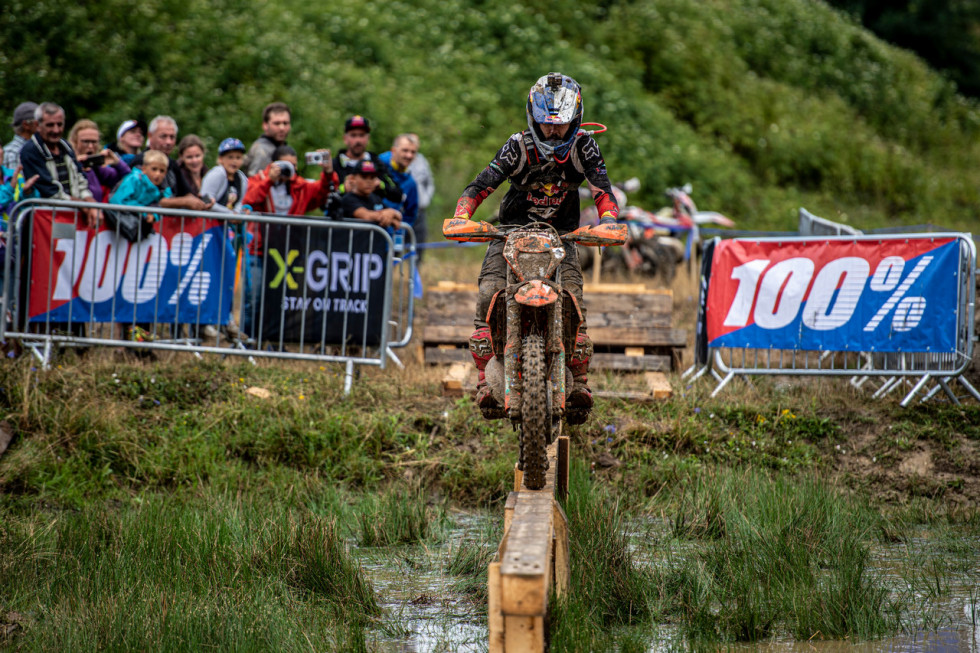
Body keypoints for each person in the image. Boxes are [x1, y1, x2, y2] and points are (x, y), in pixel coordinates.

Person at [452, 72, 620, 421]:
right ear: (533, 119)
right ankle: (485, 381)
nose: (554, 132)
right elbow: (482, 184)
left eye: (560, 125)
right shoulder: (518, 145)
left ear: (575, 119)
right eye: (546, 126)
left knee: (574, 297)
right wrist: (462, 214)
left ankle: (580, 383)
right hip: (511, 231)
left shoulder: (584, 145)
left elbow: (602, 187)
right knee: (488, 293)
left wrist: (608, 222)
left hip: (563, 234)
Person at [200, 138, 251, 339]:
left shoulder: (241, 179)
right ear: (220, 159)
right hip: (209, 230)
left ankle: (225, 318)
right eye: (230, 157)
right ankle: (206, 321)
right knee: (209, 275)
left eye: (238, 157)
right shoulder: (216, 174)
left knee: (228, 276)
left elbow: (240, 203)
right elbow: (205, 200)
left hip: (227, 233)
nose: (234, 161)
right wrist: (231, 216)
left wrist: (238, 215)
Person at [19, 102, 99, 226]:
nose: (56, 130)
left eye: (59, 124)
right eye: (50, 125)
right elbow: (50, 192)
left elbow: (80, 179)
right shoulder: (31, 151)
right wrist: (84, 206)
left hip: (72, 216)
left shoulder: (66, 146)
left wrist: (90, 202)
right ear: (37, 125)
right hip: (46, 221)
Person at [133, 116, 211, 211]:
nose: (169, 142)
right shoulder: (141, 161)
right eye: (163, 136)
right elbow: (148, 198)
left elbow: (186, 193)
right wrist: (185, 202)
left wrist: (201, 202)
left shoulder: (172, 163)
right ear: (150, 136)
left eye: (172, 137)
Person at [331, 115, 402, 204]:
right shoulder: (334, 165)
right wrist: (342, 189)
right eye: (353, 135)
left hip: (373, 215)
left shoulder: (377, 163)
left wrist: (381, 185)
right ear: (345, 138)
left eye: (362, 135)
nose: (358, 140)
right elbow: (323, 201)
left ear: (368, 138)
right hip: (342, 216)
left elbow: (399, 195)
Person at [67, 119, 130, 203]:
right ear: (74, 142)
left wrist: (117, 162)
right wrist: (76, 164)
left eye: (94, 142)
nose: (90, 146)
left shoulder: (96, 169)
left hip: (95, 214)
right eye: (85, 141)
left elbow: (128, 179)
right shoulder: (65, 164)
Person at [341, 159, 401, 228]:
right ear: (353, 178)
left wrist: (392, 212)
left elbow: (398, 216)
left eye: (372, 177)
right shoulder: (348, 199)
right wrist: (390, 214)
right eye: (364, 177)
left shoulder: (376, 198)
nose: (369, 181)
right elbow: (366, 215)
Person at [378, 134, 419, 230]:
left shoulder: (411, 183)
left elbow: (411, 213)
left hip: (391, 236)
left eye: (413, 152)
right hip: (371, 230)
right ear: (394, 150)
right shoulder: (378, 166)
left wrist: (399, 232)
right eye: (405, 150)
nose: (409, 155)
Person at [243, 102, 291, 176]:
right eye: (277, 123)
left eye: (285, 123)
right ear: (265, 125)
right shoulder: (263, 150)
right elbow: (256, 183)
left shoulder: (279, 147)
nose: (282, 128)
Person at [406, 132, 434, 254]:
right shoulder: (400, 159)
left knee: (419, 245)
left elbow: (430, 183)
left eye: (416, 142)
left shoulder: (423, 161)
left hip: (420, 210)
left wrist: (426, 199)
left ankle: (415, 272)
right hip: (404, 210)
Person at [3, 102, 38, 170]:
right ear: (26, 125)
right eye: (39, 122)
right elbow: (16, 180)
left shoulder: (36, 147)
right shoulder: (14, 152)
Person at [175, 134, 208, 198]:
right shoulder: (177, 177)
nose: (194, 161)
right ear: (181, 157)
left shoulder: (208, 174)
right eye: (189, 157)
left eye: (197, 156)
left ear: (203, 154)